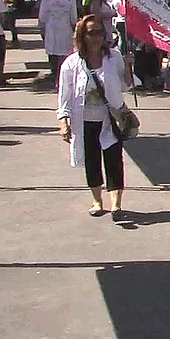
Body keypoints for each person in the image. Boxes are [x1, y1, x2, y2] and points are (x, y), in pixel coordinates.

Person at [57, 15, 134, 221]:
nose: (97, 37)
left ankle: (116, 204)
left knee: (114, 160)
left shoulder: (113, 57)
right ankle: (97, 200)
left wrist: (128, 66)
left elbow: (126, 85)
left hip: (111, 119)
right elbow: (65, 95)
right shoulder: (72, 63)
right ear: (82, 35)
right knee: (92, 161)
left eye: (100, 32)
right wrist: (63, 121)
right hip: (85, 121)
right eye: (92, 33)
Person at [38, 0, 78, 82]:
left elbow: (42, 18)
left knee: (52, 53)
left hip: (51, 30)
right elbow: (73, 19)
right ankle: (64, 76)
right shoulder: (70, 0)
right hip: (65, 31)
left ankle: (55, 74)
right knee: (65, 54)